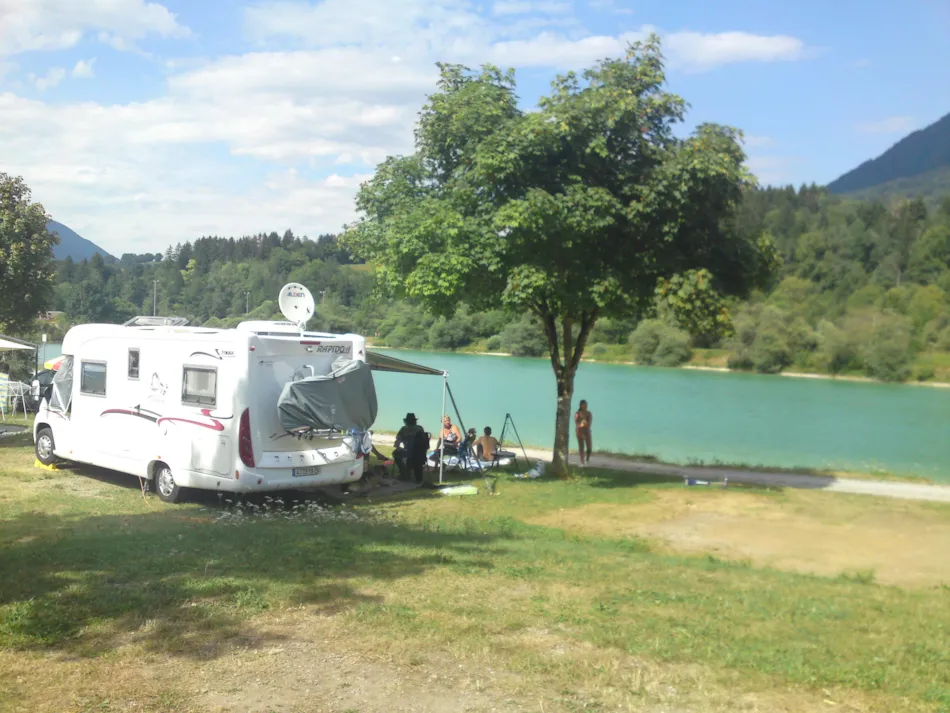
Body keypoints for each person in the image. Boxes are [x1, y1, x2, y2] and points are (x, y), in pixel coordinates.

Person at [393, 413, 428, 483]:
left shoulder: (404, 429)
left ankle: (403, 473)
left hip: (408, 452)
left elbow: (397, 443)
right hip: (420, 453)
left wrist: (400, 448)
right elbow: (425, 443)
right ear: (415, 421)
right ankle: (410, 473)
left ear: (406, 421)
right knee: (412, 456)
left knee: (396, 453)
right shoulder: (420, 428)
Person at [574, 399, 593, 466]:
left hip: (587, 431)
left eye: (586, 405)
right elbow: (577, 423)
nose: (586, 406)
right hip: (579, 432)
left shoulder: (589, 413)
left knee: (589, 448)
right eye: (584, 405)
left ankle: (587, 460)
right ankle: (582, 462)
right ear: (581, 405)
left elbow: (589, 423)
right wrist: (582, 424)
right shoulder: (577, 414)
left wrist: (584, 424)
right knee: (581, 447)